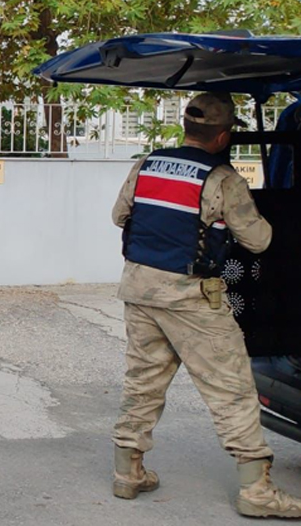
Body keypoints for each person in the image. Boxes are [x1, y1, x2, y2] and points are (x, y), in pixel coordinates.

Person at [110, 92, 301, 518]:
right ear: (222, 136)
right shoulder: (223, 179)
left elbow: (120, 217)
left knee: (143, 382)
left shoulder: (147, 164)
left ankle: (128, 472)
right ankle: (256, 491)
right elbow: (259, 240)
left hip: (140, 289)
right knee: (232, 389)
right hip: (191, 297)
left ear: (187, 127)